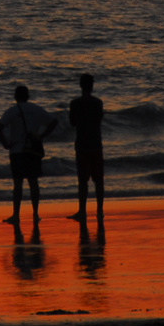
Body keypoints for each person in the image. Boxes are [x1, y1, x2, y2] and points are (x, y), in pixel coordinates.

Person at [0, 84, 56, 224]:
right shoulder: (36, 109)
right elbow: (54, 122)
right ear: (28, 96)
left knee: (18, 184)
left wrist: (5, 144)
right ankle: (35, 214)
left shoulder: (11, 111)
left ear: (15, 97)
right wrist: (41, 136)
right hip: (32, 151)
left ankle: (16, 215)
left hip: (17, 151)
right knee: (33, 183)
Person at [66, 72, 105, 221]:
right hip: (95, 142)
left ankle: (82, 211)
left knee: (83, 180)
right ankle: (99, 211)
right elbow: (99, 120)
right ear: (92, 86)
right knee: (98, 180)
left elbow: (72, 123)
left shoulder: (75, 103)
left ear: (80, 86)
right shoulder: (98, 102)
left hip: (82, 143)